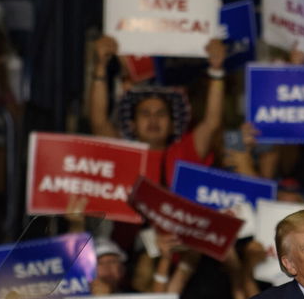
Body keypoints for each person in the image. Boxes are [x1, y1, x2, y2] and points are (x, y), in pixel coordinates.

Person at [88, 34, 226, 186]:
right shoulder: (122, 153)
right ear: (132, 124)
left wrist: (216, 70)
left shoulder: (184, 153)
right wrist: (100, 66)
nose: (153, 120)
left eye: (161, 114)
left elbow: (212, 122)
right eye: (145, 113)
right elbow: (99, 121)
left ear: (173, 125)